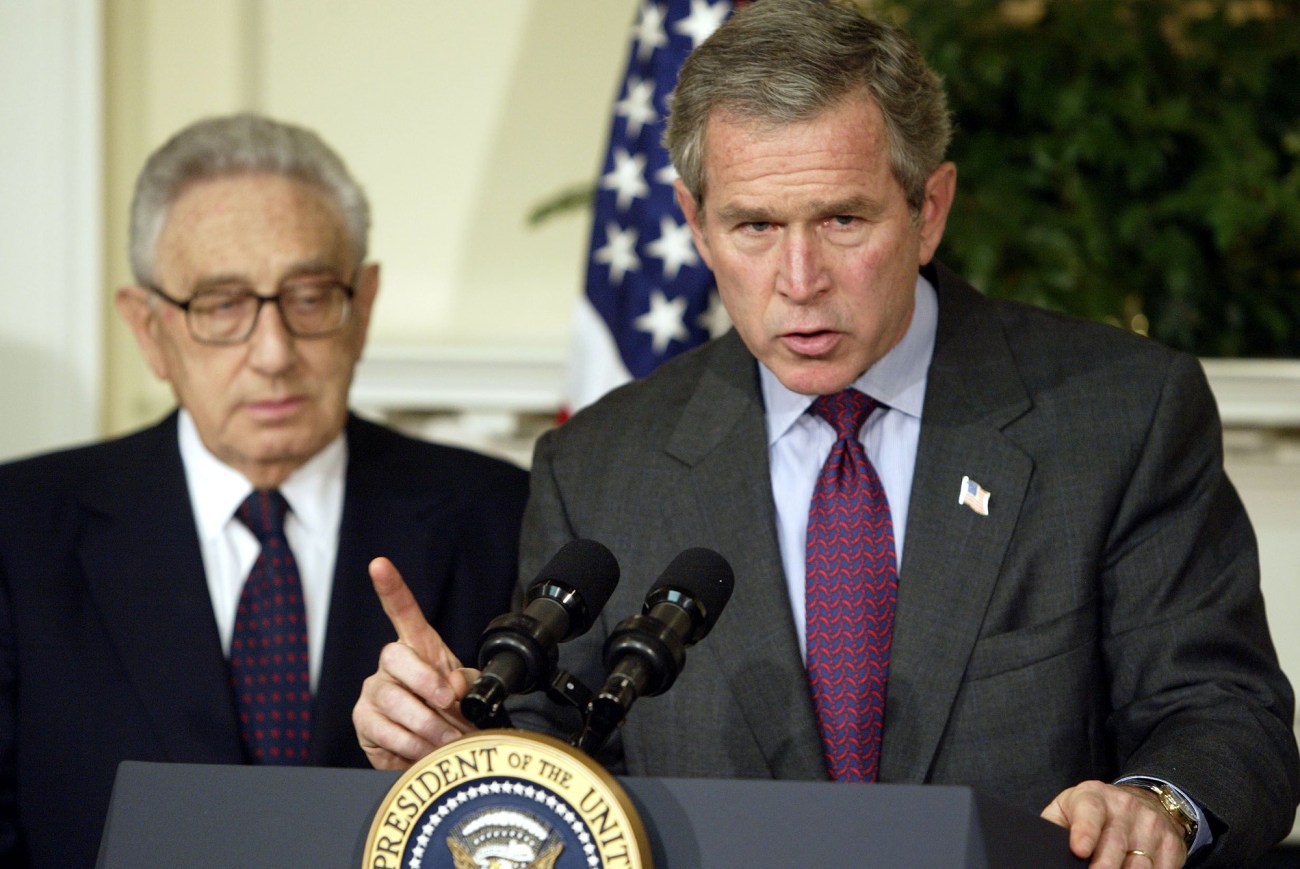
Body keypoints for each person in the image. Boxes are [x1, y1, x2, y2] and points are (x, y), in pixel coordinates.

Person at [351, 2, 1300, 867]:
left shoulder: (1119, 416)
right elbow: (557, 764)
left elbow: (1225, 713)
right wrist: (459, 748)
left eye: (843, 219)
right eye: (755, 226)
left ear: (929, 209)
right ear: (694, 225)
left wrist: (1156, 803)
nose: (799, 279)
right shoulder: (599, 464)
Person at [0, 113, 529, 868]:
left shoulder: (501, 514)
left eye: (309, 297)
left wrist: (476, 751)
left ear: (364, 305)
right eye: (222, 306)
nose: (274, 353)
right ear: (148, 329)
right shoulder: (19, 530)